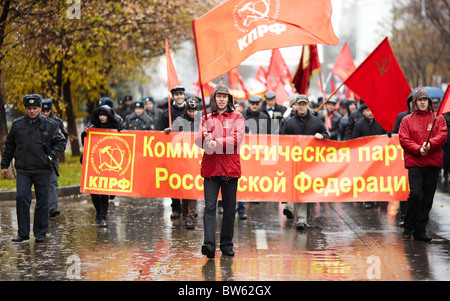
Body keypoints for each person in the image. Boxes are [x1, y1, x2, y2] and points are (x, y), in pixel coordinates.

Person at [1, 94, 67, 243]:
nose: (32, 111)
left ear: (39, 108)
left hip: (43, 169)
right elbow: (9, 146)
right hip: (23, 169)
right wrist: (5, 165)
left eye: (35, 108)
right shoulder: (17, 125)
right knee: (22, 198)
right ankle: (23, 233)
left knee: (43, 201)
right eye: (29, 108)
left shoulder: (50, 125)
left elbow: (61, 142)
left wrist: (50, 157)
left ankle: (40, 233)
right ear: (25, 109)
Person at [195, 81, 245, 258]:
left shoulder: (237, 118)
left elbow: (237, 140)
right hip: (210, 170)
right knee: (209, 207)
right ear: (214, 99)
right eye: (219, 96)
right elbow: (197, 141)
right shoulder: (206, 118)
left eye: (224, 96)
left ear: (229, 99)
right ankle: (208, 244)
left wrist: (216, 142)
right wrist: (204, 138)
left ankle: (226, 245)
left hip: (230, 170)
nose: (222, 99)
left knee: (230, 211)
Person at [399, 87, 447, 242]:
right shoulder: (406, 120)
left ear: (429, 102)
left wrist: (430, 144)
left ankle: (420, 230)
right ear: (415, 102)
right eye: (419, 100)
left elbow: (442, 135)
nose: (422, 103)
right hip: (415, 163)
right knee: (416, 194)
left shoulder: (437, 119)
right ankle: (408, 226)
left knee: (427, 199)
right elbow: (404, 139)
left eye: (424, 100)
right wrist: (418, 149)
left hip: (432, 163)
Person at [281, 95, 329, 230]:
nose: (301, 106)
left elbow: (326, 135)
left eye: (304, 104)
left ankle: (301, 218)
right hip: (294, 162)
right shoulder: (289, 123)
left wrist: (322, 136)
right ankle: (298, 215)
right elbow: (283, 141)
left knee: (305, 189)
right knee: (295, 187)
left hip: (311, 163)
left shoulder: (317, 122)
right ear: (295, 105)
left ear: (307, 105)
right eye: (299, 104)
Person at [81, 105, 120, 227]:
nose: (102, 118)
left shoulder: (115, 127)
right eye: (100, 115)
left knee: (104, 192)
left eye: (104, 115)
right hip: (94, 163)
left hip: (108, 164)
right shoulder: (93, 127)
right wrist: (86, 134)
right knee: (93, 191)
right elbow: (85, 142)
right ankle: (98, 212)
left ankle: (103, 216)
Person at [167, 97, 201, 229]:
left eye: (194, 111)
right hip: (182, 159)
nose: (192, 113)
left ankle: (190, 217)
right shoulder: (179, 121)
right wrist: (168, 132)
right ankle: (187, 212)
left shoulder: (202, 122)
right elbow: (173, 137)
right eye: (190, 111)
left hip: (196, 159)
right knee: (184, 188)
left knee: (192, 188)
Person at [159, 86, 187, 218]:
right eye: (177, 95)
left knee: (188, 178)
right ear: (173, 97)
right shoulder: (166, 114)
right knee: (174, 179)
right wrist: (165, 132)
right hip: (172, 152)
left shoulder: (191, 111)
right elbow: (158, 135)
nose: (179, 97)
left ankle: (188, 208)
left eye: (181, 94)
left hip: (188, 152)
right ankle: (176, 207)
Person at [351, 104, 387, 209]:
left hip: (378, 156)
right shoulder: (358, 124)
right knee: (367, 178)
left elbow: (386, 136)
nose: (370, 113)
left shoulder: (380, 123)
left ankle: (376, 198)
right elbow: (355, 140)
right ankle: (368, 200)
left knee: (377, 178)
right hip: (365, 157)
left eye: (371, 110)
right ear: (363, 112)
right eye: (367, 111)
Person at [41, 98, 69, 218]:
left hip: (52, 157)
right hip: (38, 157)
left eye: (47, 111)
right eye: (43, 111)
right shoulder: (36, 121)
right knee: (41, 183)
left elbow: (63, 139)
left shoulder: (57, 122)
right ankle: (43, 207)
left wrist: (55, 153)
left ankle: (53, 208)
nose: (45, 114)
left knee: (52, 182)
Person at [392, 93, 414, 225]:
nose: (413, 103)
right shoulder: (401, 117)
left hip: (418, 158)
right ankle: (404, 216)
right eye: (411, 101)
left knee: (416, 190)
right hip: (402, 157)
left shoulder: (426, 118)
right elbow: (395, 133)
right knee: (404, 186)